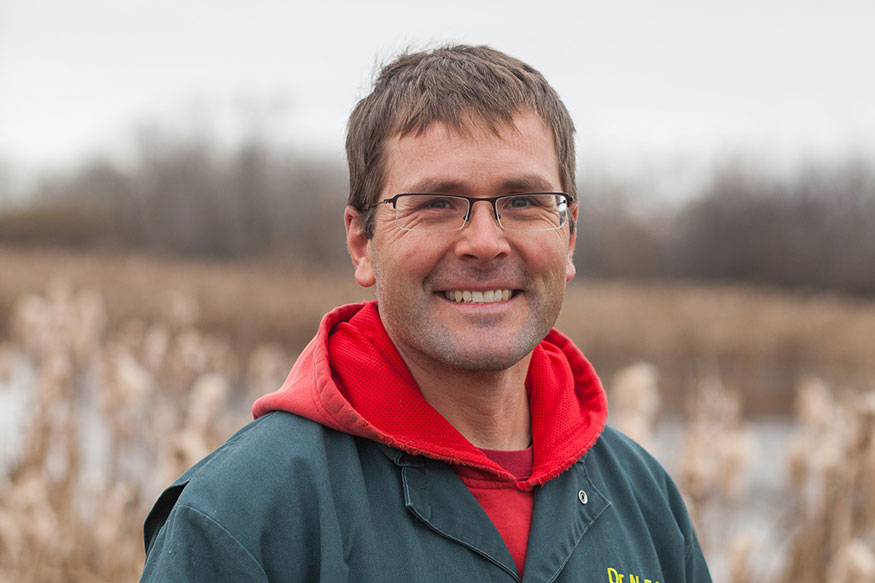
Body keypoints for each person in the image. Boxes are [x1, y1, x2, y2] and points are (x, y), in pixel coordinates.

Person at [141, 44, 712, 582]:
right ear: (362, 244)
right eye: (436, 204)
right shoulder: (242, 517)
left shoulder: (648, 502)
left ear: (570, 235)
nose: (484, 243)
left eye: (524, 202)